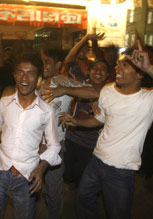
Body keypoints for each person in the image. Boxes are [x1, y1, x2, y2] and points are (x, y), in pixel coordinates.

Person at [59, 41, 153, 219]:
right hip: (96, 160)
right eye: (119, 63)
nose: (117, 67)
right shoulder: (108, 91)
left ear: (139, 74)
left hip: (120, 171)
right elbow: (100, 119)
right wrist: (77, 121)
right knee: (83, 201)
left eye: (124, 64)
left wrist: (149, 68)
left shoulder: (151, 99)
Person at [0, 53, 62, 219]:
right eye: (20, 72)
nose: (24, 78)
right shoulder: (5, 102)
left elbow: (54, 146)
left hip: (27, 179)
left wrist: (41, 168)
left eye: (31, 73)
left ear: (38, 77)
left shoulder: (46, 111)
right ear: (14, 75)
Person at [43, 59, 110, 188]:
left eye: (102, 69)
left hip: (92, 144)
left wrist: (65, 90)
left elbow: (95, 93)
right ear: (89, 72)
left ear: (107, 74)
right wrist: (87, 37)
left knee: (84, 181)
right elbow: (68, 60)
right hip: (72, 137)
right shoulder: (81, 85)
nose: (98, 72)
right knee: (67, 174)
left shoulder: (111, 91)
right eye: (95, 68)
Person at [39, 48, 85, 219]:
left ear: (58, 65)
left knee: (53, 189)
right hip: (35, 145)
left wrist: (66, 90)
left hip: (54, 146)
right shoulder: (40, 82)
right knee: (37, 186)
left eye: (47, 61)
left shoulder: (64, 82)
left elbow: (92, 91)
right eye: (42, 61)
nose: (43, 65)